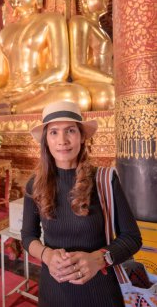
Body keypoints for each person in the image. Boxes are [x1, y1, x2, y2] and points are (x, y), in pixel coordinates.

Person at [21, 100, 142, 307]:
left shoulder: (104, 180)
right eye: (54, 132)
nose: (62, 140)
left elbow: (132, 238)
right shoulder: (35, 184)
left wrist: (98, 259)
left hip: (100, 291)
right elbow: (28, 236)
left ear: (82, 136)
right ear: (46, 141)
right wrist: (47, 255)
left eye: (70, 131)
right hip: (54, 292)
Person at [69, 0, 115, 110]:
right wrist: (111, 80)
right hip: (90, 83)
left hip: (106, 81)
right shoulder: (80, 22)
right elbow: (77, 68)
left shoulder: (103, 31)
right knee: (109, 95)